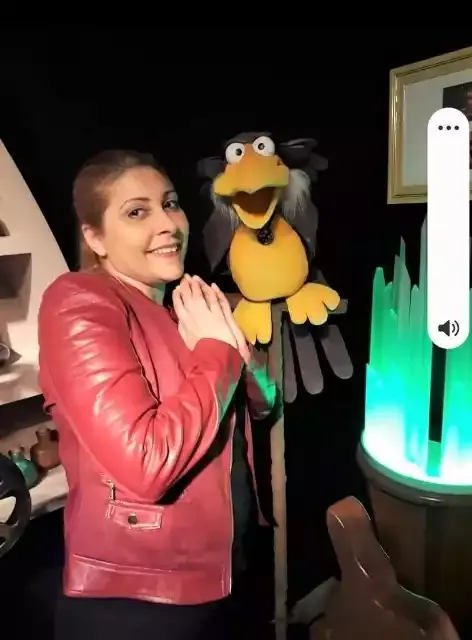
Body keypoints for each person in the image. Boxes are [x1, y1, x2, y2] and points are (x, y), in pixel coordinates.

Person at [37, 149, 277, 640]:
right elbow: (148, 463)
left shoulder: (182, 312)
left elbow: (263, 403)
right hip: (139, 604)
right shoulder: (78, 301)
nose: (168, 224)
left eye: (170, 204)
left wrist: (235, 349)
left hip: (224, 573)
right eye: (136, 212)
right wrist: (218, 349)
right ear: (95, 238)